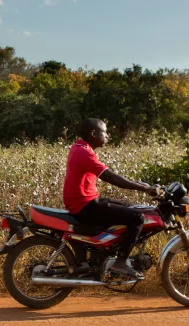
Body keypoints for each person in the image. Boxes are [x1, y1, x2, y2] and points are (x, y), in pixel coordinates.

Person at [62, 118, 157, 278]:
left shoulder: (78, 147)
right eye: (104, 132)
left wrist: (139, 184)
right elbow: (110, 177)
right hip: (85, 207)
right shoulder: (84, 153)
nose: (108, 135)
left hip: (86, 202)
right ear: (93, 133)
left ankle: (107, 254)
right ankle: (121, 262)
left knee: (131, 208)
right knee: (137, 218)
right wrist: (144, 188)